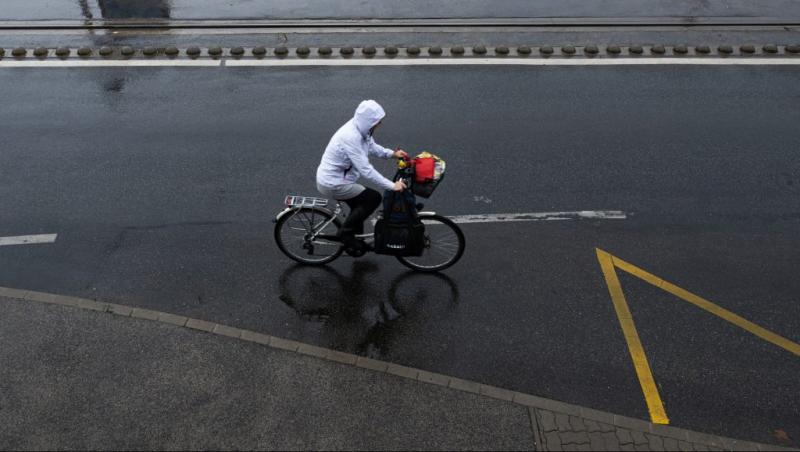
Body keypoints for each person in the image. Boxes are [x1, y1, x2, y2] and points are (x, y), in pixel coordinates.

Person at [316, 100, 408, 254]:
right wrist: (392, 186)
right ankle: (345, 234)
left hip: (339, 178)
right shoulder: (351, 137)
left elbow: (370, 146)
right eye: (377, 122)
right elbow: (366, 170)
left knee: (359, 204)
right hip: (333, 183)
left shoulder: (361, 128)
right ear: (369, 121)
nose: (379, 125)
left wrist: (392, 154)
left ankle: (354, 244)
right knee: (372, 198)